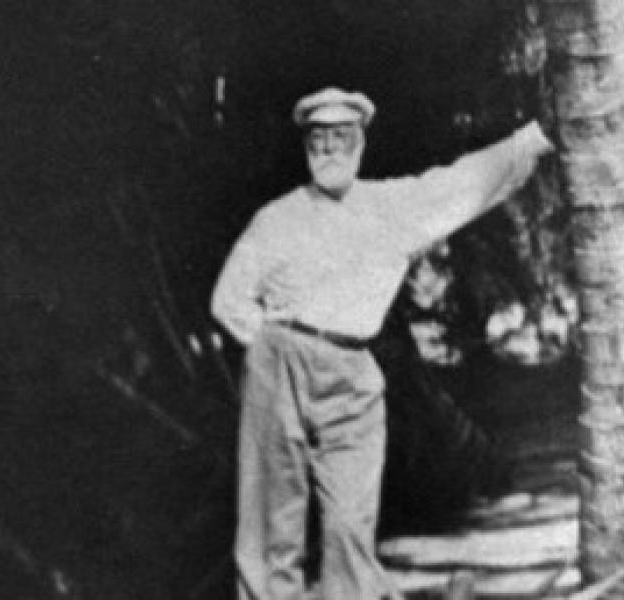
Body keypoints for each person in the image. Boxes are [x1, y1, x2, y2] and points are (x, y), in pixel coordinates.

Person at [211, 87, 552, 600]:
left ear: (360, 143)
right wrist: (276, 346)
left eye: (341, 138)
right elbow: (228, 300)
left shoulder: (391, 208)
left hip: (353, 373)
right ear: (306, 147)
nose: (329, 149)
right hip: (280, 362)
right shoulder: (276, 219)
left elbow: (462, 183)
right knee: (271, 526)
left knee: (350, 524)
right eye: (318, 139)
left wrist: (536, 136)